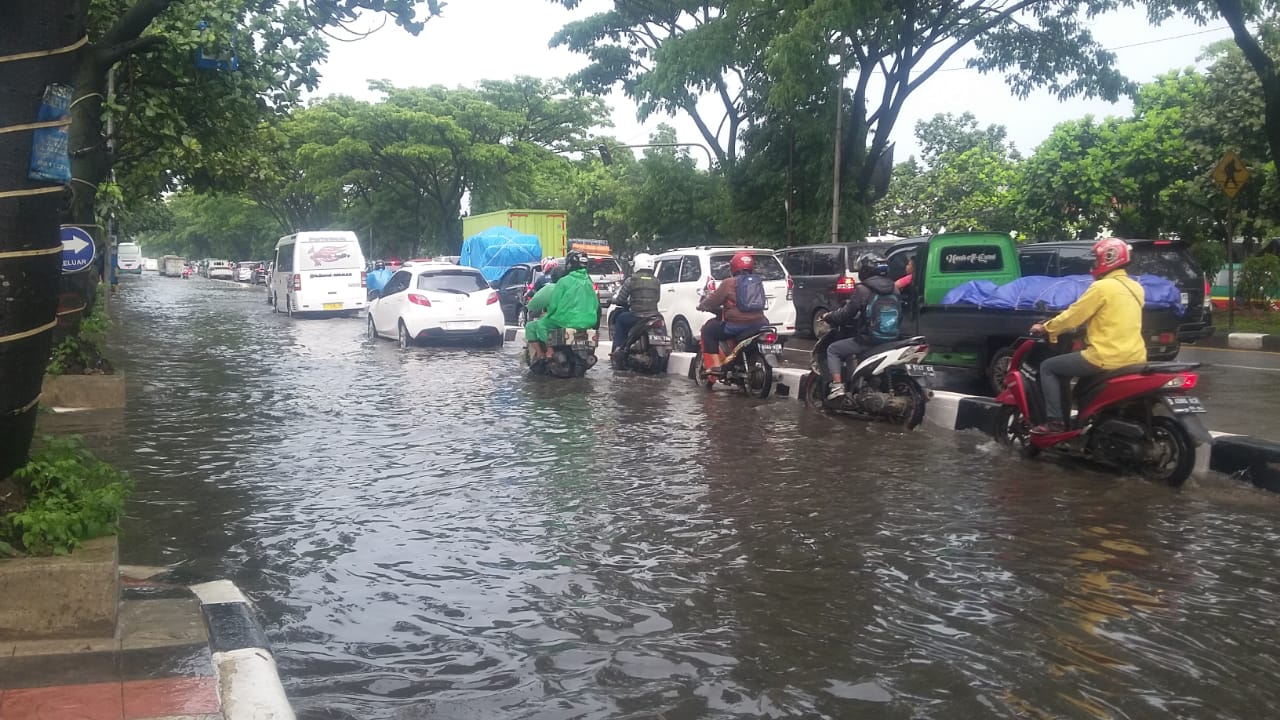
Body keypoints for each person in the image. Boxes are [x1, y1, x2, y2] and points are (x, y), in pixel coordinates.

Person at [1028, 237, 1146, 434]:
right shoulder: (1136, 288)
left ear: (1107, 259)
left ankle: (1055, 422)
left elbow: (1073, 316)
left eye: (1096, 259)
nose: (1093, 265)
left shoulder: (1102, 288)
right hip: (1135, 358)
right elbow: (1112, 318)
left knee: (1048, 367)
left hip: (1104, 357)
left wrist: (1047, 328)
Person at [820, 253, 899, 400]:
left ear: (865, 271)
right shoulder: (894, 289)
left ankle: (837, 387)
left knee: (833, 349)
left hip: (869, 339)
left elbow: (846, 314)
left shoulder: (863, 289)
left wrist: (829, 316)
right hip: (892, 338)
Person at [697, 251, 769, 375]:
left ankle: (716, 367)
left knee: (708, 330)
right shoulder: (757, 282)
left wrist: (702, 306)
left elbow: (713, 301)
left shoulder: (728, 282)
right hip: (761, 323)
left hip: (736, 326)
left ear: (733, 267)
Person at [526, 251, 600, 361]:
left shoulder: (563, 282)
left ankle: (548, 350)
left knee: (541, 324)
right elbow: (596, 305)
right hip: (589, 322)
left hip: (565, 321)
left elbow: (555, 304)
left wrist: (550, 315)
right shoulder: (589, 283)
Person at [611, 253, 660, 351]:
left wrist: (613, 300)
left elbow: (621, 299)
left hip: (637, 316)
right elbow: (657, 298)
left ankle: (618, 348)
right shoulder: (656, 281)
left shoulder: (631, 280)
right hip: (654, 315)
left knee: (620, 319)